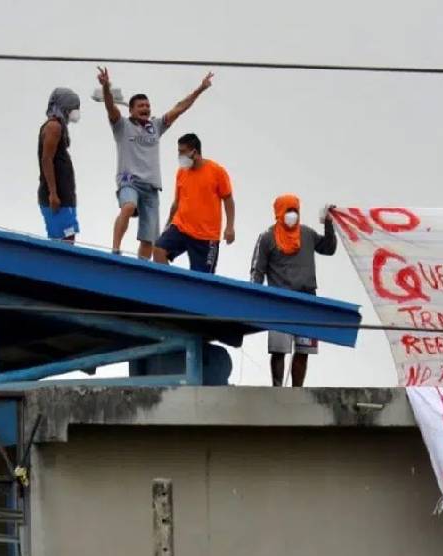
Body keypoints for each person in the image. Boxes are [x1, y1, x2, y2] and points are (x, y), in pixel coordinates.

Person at [96, 66, 214, 258]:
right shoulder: (122, 126)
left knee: (149, 239)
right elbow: (111, 107)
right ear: (131, 110)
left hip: (151, 187)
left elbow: (179, 108)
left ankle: (142, 267)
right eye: (140, 106)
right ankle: (115, 250)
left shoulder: (155, 126)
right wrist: (106, 87)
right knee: (128, 206)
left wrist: (200, 89)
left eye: (147, 106)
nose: (145, 108)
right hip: (129, 180)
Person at [250, 195, 337, 386]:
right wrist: (254, 298)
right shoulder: (267, 237)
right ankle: (278, 388)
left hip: (307, 301)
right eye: (288, 211)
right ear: (279, 212)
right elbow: (257, 270)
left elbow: (329, 248)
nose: (292, 215)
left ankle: (297, 390)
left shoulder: (307, 234)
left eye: (295, 211)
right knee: (279, 349)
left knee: (304, 350)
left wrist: (328, 224)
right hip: (279, 302)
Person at [153, 134, 235, 273]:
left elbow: (228, 199)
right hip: (181, 227)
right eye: (178, 152)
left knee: (201, 279)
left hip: (206, 237)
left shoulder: (217, 171)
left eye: (182, 152)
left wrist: (230, 227)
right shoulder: (181, 172)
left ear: (194, 152)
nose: (180, 156)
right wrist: (168, 224)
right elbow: (176, 202)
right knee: (158, 250)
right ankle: (171, 284)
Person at [38, 88, 81, 242]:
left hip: (65, 195)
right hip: (57, 196)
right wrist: (53, 193)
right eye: (74, 107)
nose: (76, 111)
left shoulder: (60, 127)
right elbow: (46, 159)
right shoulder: (53, 126)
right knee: (62, 239)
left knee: (68, 236)